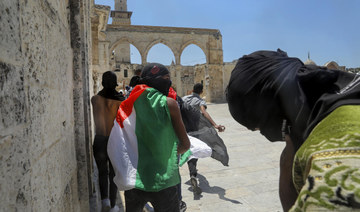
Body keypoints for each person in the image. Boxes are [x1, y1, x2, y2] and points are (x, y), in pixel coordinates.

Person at [226, 49, 360, 211]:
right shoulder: (343, 96)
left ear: (274, 110)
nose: (269, 135)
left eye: (261, 127)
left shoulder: (331, 161)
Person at [107, 63, 190, 212]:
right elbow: (185, 144)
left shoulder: (127, 105)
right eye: (166, 78)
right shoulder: (169, 104)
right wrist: (165, 153)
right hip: (164, 181)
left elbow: (119, 141)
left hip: (135, 180)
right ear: (155, 80)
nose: (169, 82)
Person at [182, 83, 225, 194]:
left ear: (192, 90)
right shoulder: (200, 101)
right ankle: (193, 174)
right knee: (194, 151)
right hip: (195, 130)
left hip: (183, 129)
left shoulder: (184, 98)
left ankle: (192, 173)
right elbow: (204, 112)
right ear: (201, 92)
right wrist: (215, 125)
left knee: (189, 150)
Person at [91, 71, 125, 212]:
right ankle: (112, 205)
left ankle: (104, 199)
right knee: (113, 173)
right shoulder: (120, 101)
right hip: (113, 140)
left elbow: (102, 95)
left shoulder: (95, 99)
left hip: (99, 140)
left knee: (102, 171)